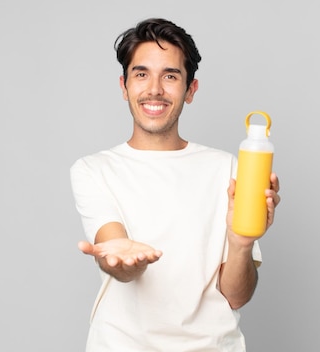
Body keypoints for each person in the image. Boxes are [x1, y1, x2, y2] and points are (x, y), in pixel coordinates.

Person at [70, 17, 281, 351]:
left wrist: (241, 243)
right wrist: (122, 261)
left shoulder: (227, 168)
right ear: (124, 86)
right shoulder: (94, 169)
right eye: (141, 74)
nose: (154, 89)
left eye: (170, 76)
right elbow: (114, 251)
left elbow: (236, 297)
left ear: (190, 90)